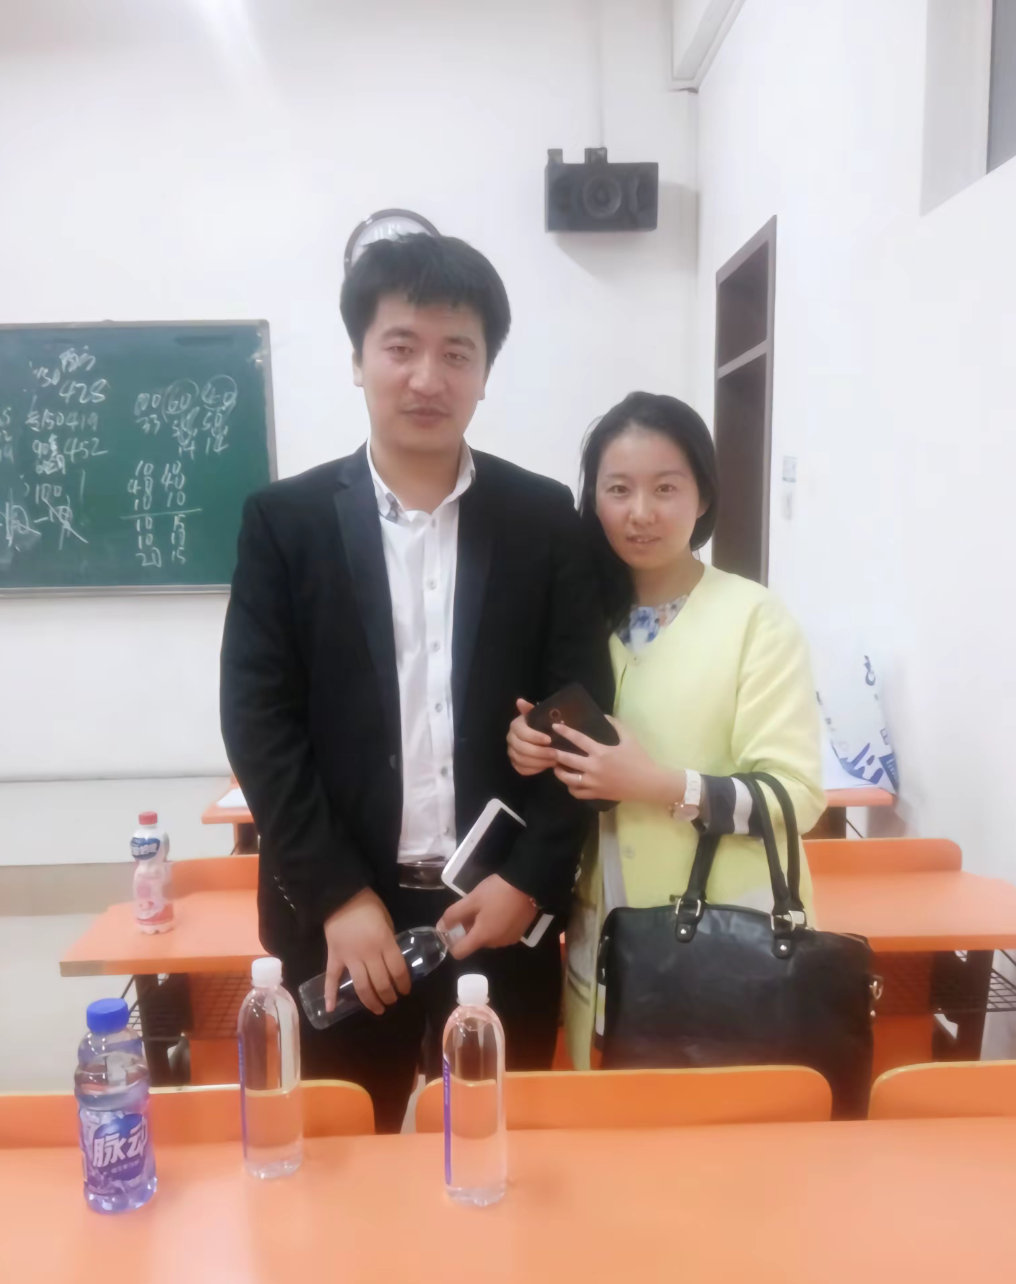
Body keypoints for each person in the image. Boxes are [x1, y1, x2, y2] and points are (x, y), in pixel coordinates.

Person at [220, 233, 612, 1130]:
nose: (427, 378)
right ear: (358, 359)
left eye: (456, 353)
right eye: (400, 346)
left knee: (493, 1152)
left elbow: (583, 712)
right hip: (340, 919)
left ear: (485, 373)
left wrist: (531, 880)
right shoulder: (285, 523)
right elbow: (258, 721)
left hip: (498, 908)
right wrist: (336, 895)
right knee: (341, 1153)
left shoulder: (542, 518)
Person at [506, 391, 825, 1068]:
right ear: (593, 499)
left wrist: (660, 785)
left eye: (666, 488)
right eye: (618, 489)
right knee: (608, 1122)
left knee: (716, 1127)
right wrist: (531, 747)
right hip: (604, 940)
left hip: (727, 945)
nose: (641, 512)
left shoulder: (754, 619)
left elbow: (795, 796)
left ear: (703, 496)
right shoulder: (579, 618)